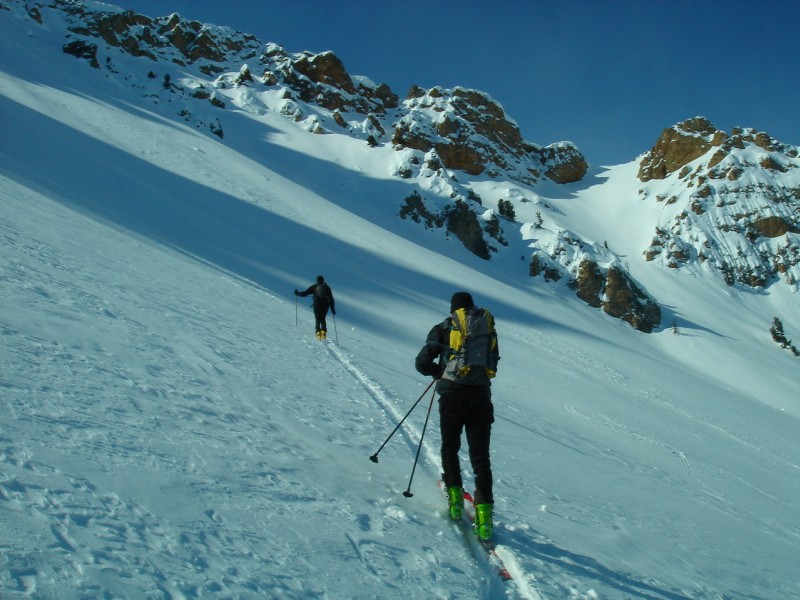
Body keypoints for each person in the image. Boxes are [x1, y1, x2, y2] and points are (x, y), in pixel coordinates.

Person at [415, 291, 499, 541]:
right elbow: (493, 362)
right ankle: (484, 517)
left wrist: (438, 372)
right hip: (481, 398)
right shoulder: (486, 328)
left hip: (452, 396)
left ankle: (454, 500)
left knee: (450, 446)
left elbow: (422, 362)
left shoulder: (444, 327)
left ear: (454, 309)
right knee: (481, 458)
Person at [294, 275, 336, 340]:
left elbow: (305, 293)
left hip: (317, 304)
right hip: (325, 305)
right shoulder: (327, 288)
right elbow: (331, 298)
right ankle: (323, 333)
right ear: (323, 280)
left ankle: (318, 333)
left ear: (317, 280)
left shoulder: (314, 286)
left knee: (317, 318)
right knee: (322, 318)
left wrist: (297, 293)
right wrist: (332, 309)